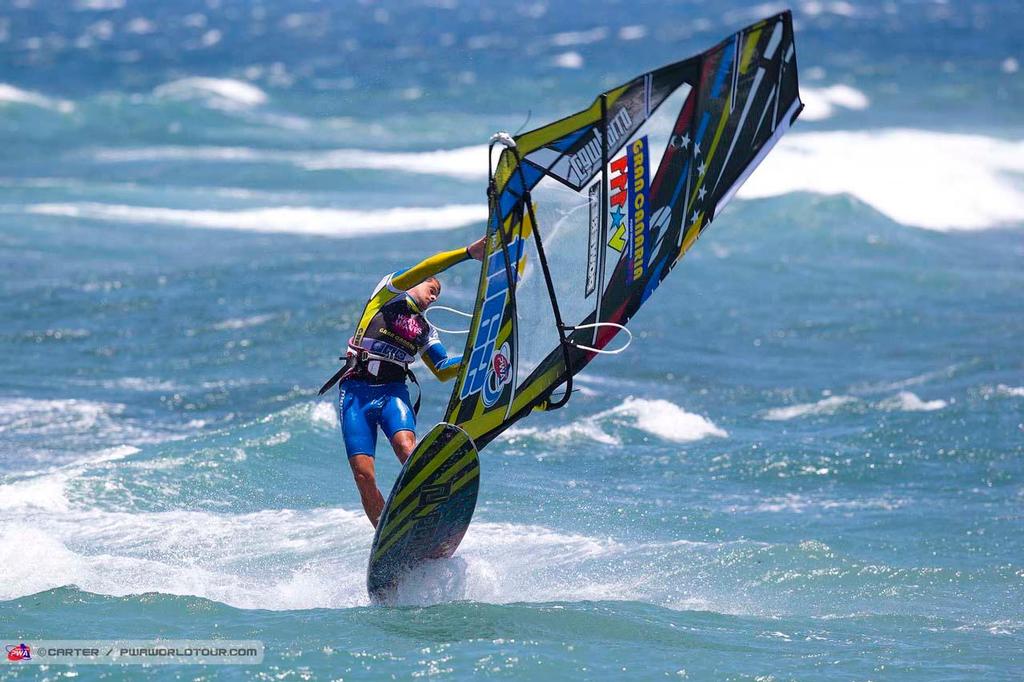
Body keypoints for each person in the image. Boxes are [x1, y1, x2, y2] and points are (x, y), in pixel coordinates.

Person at [319, 237, 486, 527]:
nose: (434, 297)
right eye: (432, 289)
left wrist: (478, 354)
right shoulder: (387, 294)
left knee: (407, 448)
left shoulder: (425, 329)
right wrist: (468, 253)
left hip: (392, 392)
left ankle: (434, 507)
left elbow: (444, 369)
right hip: (356, 391)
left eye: (438, 295)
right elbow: (427, 266)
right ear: (415, 283)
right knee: (363, 475)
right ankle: (388, 533)